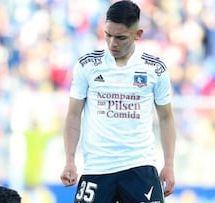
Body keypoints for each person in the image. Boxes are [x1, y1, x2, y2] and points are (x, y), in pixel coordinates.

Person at [60, 1, 176, 203]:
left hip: (140, 166)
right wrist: (69, 159)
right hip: (97, 167)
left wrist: (169, 164)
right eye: (108, 35)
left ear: (137, 34)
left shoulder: (154, 69)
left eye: (120, 37)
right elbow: (72, 115)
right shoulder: (88, 65)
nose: (112, 43)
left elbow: (166, 117)